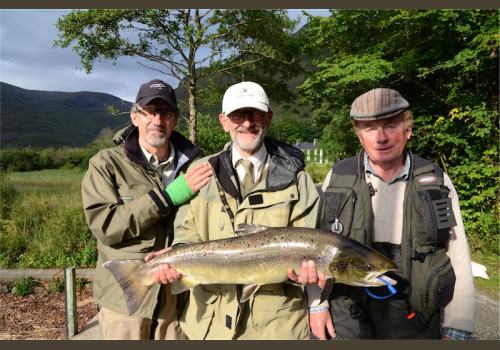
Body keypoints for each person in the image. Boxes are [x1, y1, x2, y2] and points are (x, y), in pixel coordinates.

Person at [147, 81, 322, 339]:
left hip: (277, 325)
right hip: (210, 322)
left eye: (255, 114)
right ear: (224, 121)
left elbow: (310, 247)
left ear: (269, 118)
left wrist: (309, 287)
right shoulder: (200, 173)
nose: (247, 123)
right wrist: (176, 258)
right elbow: (186, 232)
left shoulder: (298, 180)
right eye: (238, 115)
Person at [308, 88, 475, 340]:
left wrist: (457, 327)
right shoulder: (338, 175)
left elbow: (457, 254)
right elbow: (316, 249)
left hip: (416, 316)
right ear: (359, 135)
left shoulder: (435, 180)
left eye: (390, 126)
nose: (380, 138)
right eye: (370, 128)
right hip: (348, 313)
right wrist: (317, 305)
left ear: (407, 130)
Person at [81, 79, 212, 340]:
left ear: (175, 120)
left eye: (166, 113)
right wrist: (167, 197)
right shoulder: (106, 163)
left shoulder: (197, 166)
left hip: (178, 298)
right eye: (149, 111)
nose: (157, 119)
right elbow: (106, 227)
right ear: (135, 116)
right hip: (126, 302)